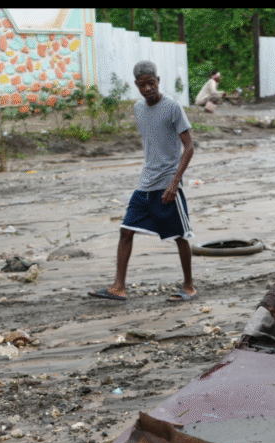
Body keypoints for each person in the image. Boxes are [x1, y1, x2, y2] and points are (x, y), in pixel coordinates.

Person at [89, 60, 197, 302]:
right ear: (136, 85)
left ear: (158, 81)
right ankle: (118, 286)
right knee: (126, 230)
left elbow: (189, 147)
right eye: (142, 84)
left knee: (180, 236)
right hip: (145, 184)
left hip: (168, 185)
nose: (147, 88)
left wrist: (174, 182)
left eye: (151, 83)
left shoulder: (173, 108)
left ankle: (189, 286)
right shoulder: (138, 109)